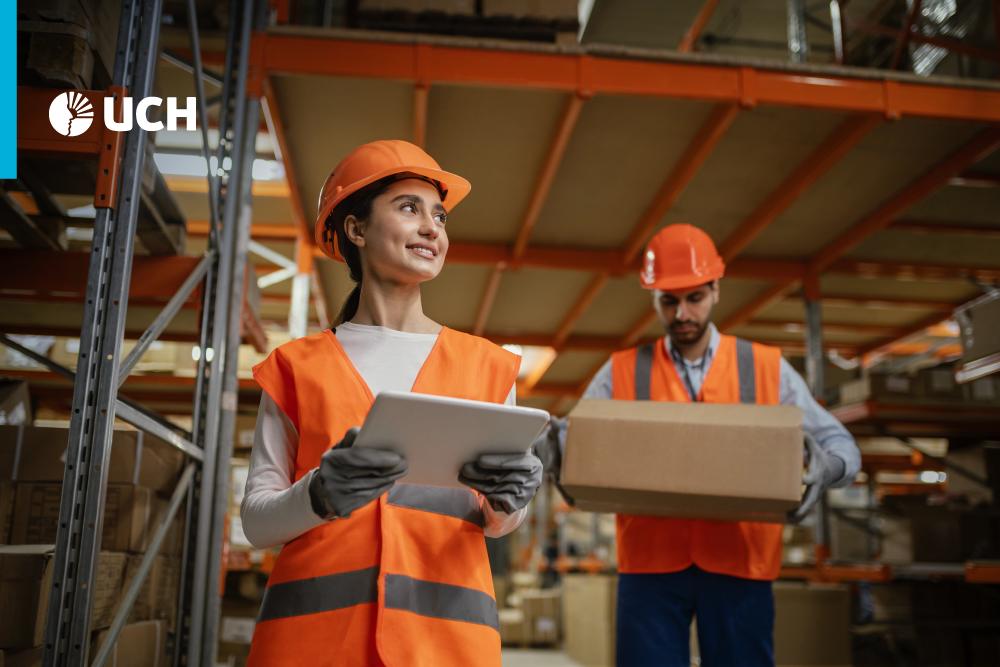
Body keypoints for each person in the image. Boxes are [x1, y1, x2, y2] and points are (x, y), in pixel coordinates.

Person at [240, 140, 544, 667]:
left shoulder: (489, 367)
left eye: (440, 216)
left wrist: (509, 502)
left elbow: (498, 521)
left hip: (446, 646)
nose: (433, 228)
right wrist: (319, 493)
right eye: (410, 208)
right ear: (356, 230)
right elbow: (257, 522)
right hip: (313, 646)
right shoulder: (296, 367)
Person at [538, 224, 861, 667]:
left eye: (695, 298)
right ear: (654, 299)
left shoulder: (766, 367)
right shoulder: (622, 371)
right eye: (669, 301)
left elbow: (838, 441)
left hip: (740, 563)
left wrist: (828, 469)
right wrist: (544, 447)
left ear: (715, 290)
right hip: (650, 566)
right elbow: (572, 435)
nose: (683, 314)